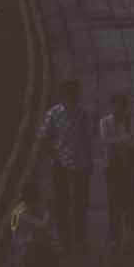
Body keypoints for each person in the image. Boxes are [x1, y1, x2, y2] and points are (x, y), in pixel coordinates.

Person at [37, 78, 93, 250]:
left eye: (74, 96)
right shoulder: (53, 113)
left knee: (80, 204)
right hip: (60, 165)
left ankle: (80, 240)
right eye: (69, 96)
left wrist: (90, 161)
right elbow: (42, 137)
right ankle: (65, 241)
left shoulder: (83, 113)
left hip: (81, 164)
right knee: (62, 204)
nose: (72, 99)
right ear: (63, 96)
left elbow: (87, 139)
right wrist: (54, 157)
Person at [99, 89, 134, 246]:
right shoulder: (104, 122)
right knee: (113, 202)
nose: (118, 110)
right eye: (115, 107)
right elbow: (104, 141)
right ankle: (115, 237)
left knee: (129, 202)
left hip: (129, 167)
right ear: (111, 107)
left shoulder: (131, 121)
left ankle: (130, 236)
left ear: (125, 107)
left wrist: (117, 141)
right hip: (112, 167)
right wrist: (123, 139)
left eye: (121, 107)